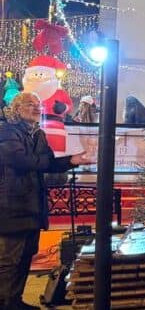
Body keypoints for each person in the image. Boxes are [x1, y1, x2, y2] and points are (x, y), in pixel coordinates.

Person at [0, 92, 94, 310]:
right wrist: (48, 162)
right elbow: (22, 160)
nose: (36, 108)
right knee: (8, 261)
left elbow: (49, 162)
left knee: (25, 257)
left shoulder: (39, 135)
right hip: (10, 207)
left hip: (33, 206)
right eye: (30, 104)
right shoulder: (6, 131)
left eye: (38, 104)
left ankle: (14, 301)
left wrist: (72, 160)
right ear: (17, 108)